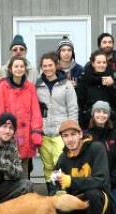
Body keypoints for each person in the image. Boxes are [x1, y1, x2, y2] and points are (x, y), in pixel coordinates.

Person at [53, 119, 109, 214]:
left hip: (100, 198)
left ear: (80, 134)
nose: (70, 139)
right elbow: (59, 186)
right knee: (54, 209)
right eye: (65, 136)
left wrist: (70, 181)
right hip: (76, 200)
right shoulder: (62, 158)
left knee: (93, 194)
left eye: (73, 134)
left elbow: (101, 180)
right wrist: (58, 185)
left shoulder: (96, 148)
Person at [35, 52, 78, 195]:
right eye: (44, 66)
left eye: (50, 65)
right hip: (44, 131)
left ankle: (62, 191)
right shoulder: (37, 85)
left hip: (62, 131)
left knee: (60, 163)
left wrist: (73, 131)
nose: (47, 68)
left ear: (56, 66)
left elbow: (72, 108)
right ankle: (52, 192)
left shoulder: (66, 85)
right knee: (48, 165)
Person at [0, 56, 43, 177]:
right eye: (16, 66)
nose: (19, 69)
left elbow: (36, 111)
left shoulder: (30, 87)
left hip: (25, 136)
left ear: (25, 69)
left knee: (24, 170)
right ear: (10, 69)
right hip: (8, 133)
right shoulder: (3, 87)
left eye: (22, 66)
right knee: (7, 169)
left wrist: (36, 132)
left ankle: (25, 194)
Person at [86, 101, 116, 214]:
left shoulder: (115, 134)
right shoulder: (86, 135)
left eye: (104, 112)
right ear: (93, 114)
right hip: (94, 183)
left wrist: (114, 178)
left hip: (112, 183)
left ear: (108, 115)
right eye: (98, 111)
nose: (101, 115)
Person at [76, 50, 116, 130]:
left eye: (104, 62)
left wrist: (112, 86)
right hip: (89, 123)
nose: (102, 65)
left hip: (110, 123)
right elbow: (80, 103)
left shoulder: (114, 77)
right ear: (93, 63)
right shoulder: (84, 78)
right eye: (98, 62)